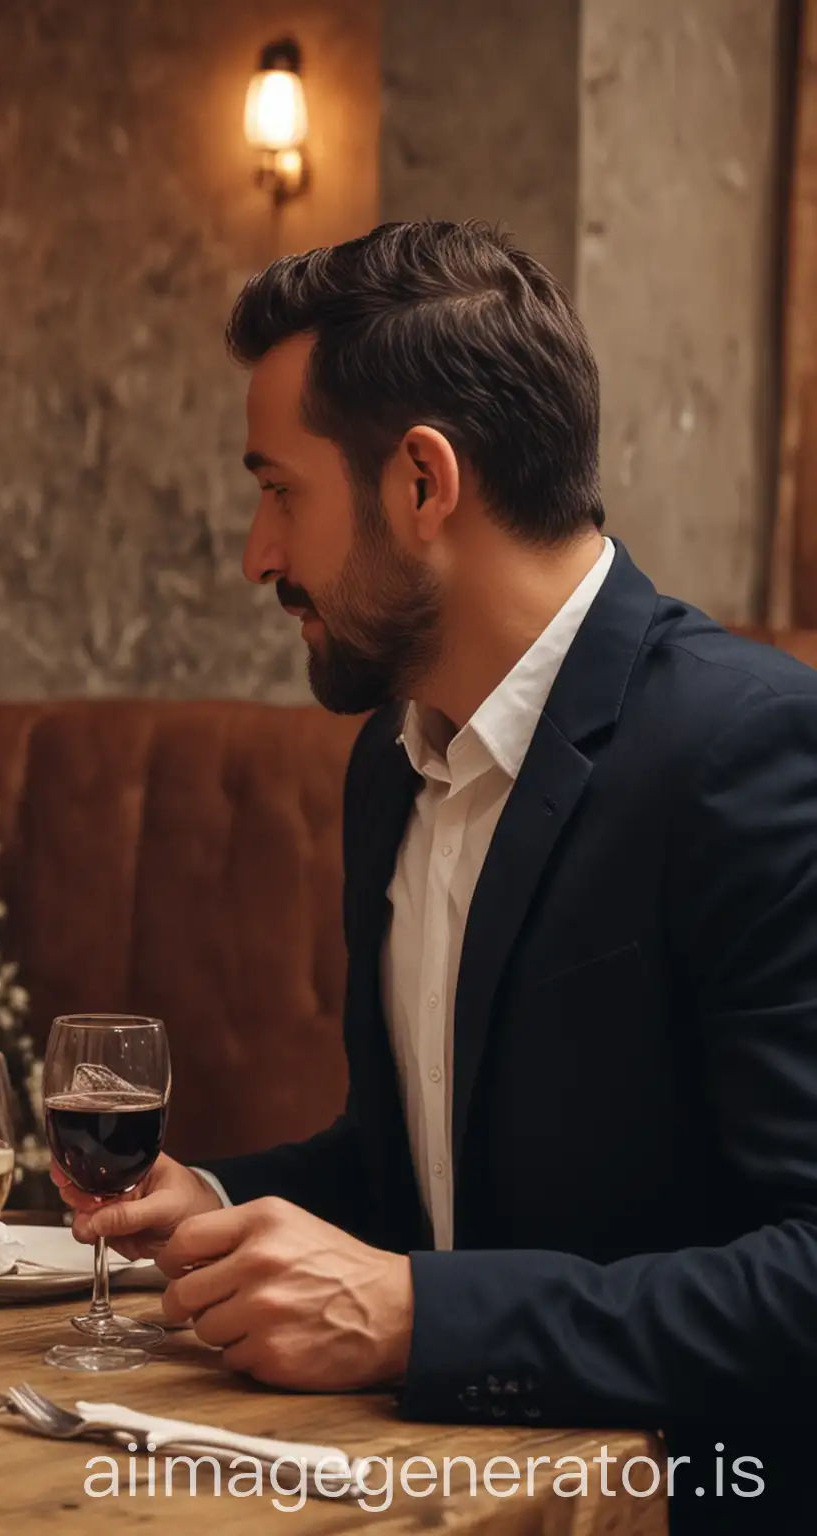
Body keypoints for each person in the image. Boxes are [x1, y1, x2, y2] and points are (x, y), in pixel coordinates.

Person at [56, 222, 817, 1530]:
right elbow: (431, 1171)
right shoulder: (391, 766)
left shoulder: (750, 751)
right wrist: (222, 1203)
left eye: (278, 489)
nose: (257, 553)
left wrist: (415, 1315)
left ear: (422, 483)